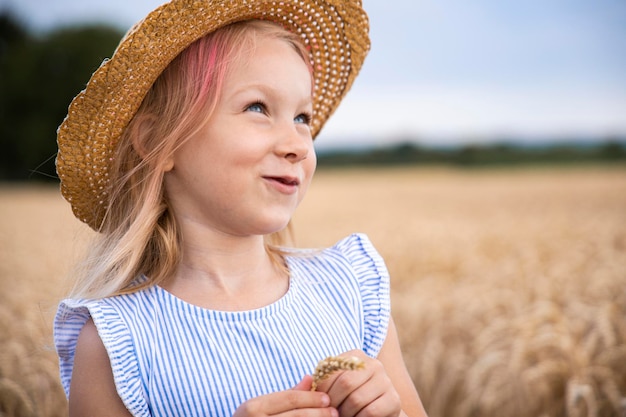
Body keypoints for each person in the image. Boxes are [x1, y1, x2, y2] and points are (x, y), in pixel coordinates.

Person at [53, 1, 428, 416]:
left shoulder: (349, 288)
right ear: (158, 143)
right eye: (257, 108)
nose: (298, 144)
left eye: (302, 117)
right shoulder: (118, 340)